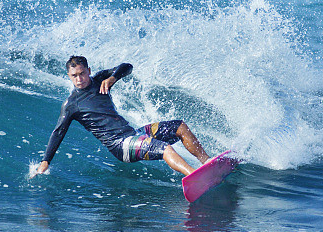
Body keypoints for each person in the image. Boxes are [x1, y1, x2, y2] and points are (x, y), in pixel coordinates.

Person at [32, 55, 210, 178]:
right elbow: (58, 133)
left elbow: (127, 67)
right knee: (166, 149)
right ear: (69, 77)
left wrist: (113, 78)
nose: (79, 79)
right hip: (121, 145)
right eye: (74, 76)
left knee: (179, 126)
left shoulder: (100, 79)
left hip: (133, 134)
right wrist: (45, 161)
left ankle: (207, 163)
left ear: (89, 70)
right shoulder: (71, 104)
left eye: (82, 73)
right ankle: (194, 176)